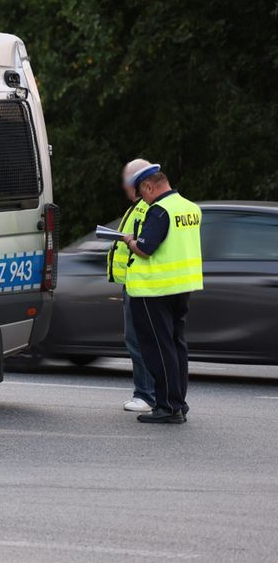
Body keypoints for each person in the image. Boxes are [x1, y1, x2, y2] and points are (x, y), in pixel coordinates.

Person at [122, 163, 203, 424]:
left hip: (154, 289)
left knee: (158, 348)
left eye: (141, 193)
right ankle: (179, 402)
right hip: (182, 287)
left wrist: (130, 241)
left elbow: (145, 248)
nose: (142, 199)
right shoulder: (190, 207)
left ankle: (167, 407)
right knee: (177, 345)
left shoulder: (159, 211)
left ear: (149, 186)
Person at [109, 159, 155, 413]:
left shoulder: (147, 208)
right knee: (140, 339)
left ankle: (145, 394)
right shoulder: (140, 206)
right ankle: (149, 393)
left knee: (138, 340)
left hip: (141, 285)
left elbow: (144, 245)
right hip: (135, 283)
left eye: (127, 182)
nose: (125, 187)